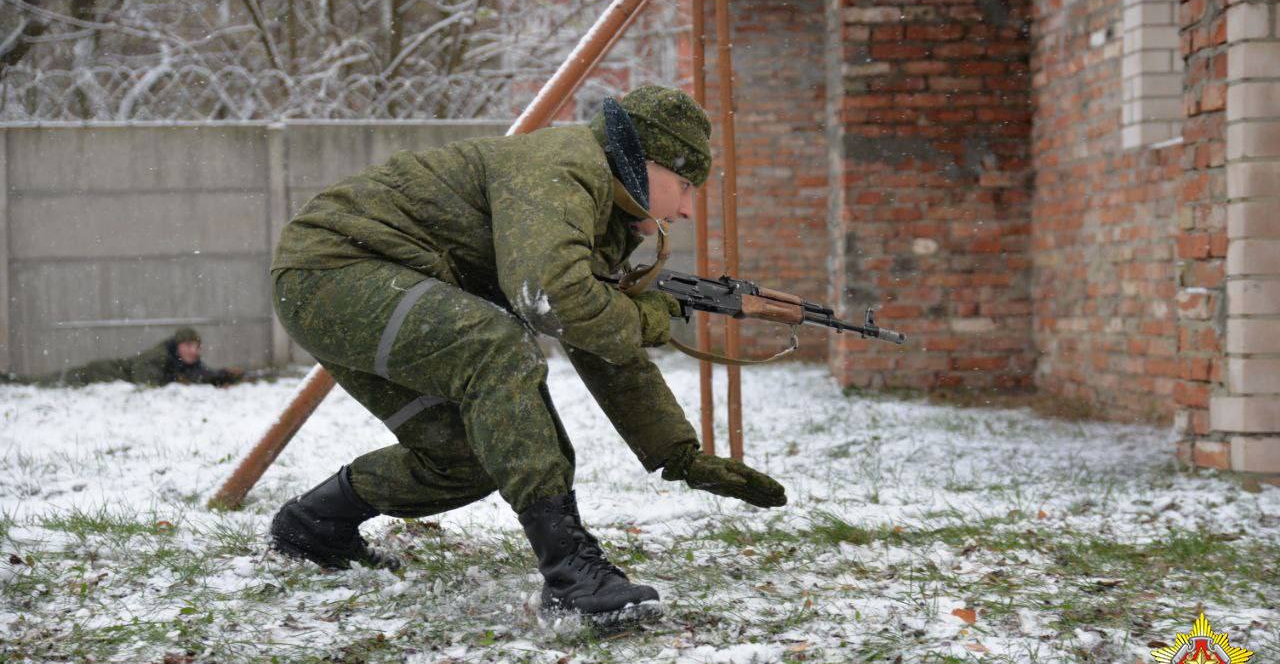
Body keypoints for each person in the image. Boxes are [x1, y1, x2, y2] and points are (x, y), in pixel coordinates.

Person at [267, 85, 786, 626]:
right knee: (496, 347)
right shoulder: (562, 166)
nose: (685, 207)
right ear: (644, 158)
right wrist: (650, 316)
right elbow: (553, 299)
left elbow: (597, 337)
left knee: (466, 458)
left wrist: (678, 454)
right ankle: (570, 572)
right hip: (331, 271)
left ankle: (314, 526)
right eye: (684, 185)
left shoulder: (604, 213)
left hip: (360, 283)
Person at [8, 327, 244, 387]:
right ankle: (9, 379)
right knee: (43, 382)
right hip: (98, 374)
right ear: (178, 346)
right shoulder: (159, 356)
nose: (195, 351)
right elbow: (144, 380)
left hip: (102, 374)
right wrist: (175, 382)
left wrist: (221, 377)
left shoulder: (179, 360)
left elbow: (198, 376)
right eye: (189, 345)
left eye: (197, 346)